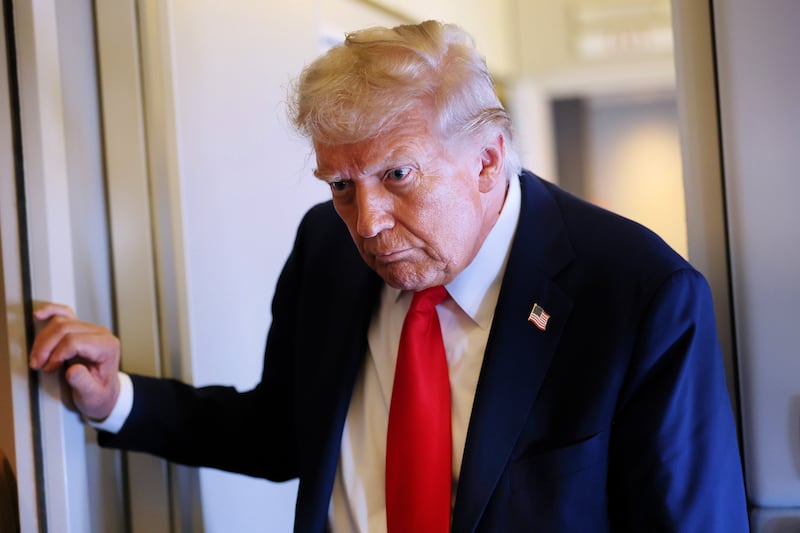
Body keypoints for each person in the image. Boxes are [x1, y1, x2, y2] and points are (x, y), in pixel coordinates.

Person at [30, 20, 748, 532]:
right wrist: (114, 398)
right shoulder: (326, 249)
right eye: (340, 184)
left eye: (396, 175)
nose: (366, 220)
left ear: (489, 160)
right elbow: (284, 430)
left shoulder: (639, 295)